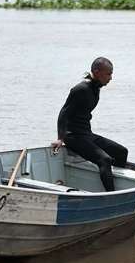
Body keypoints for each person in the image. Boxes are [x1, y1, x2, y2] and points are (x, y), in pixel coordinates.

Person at [51, 57, 128, 191]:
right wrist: (60, 138)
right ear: (97, 72)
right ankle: (111, 195)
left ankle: (116, 181)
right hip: (73, 136)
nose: (111, 78)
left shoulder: (95, 88)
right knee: (105, 160)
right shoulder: (80, 89)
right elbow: (63, 114)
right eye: (108, 74)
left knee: (121, 152)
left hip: (86, 134)